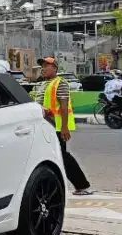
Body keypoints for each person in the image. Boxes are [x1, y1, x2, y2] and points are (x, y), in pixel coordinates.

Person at [32, 57, 92, 195]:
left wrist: (64, 127)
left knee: (62, 156)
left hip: (57, 126)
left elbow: (64, 106)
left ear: (55, 68)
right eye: (42, 66)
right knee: (52, 156)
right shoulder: (43, 84)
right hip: (45, 127)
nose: (44, 68)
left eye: (47, 65)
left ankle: (81, 185)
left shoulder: (60, 83)